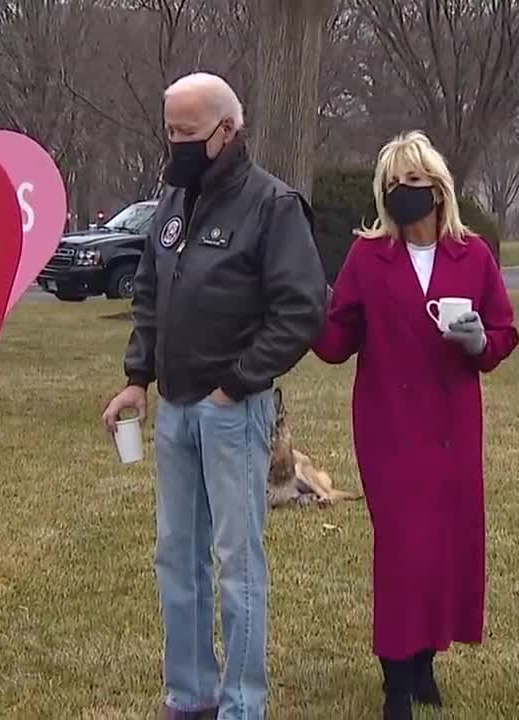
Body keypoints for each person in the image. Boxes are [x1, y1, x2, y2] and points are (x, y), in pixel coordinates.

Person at [101, 72, 328, 720]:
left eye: (188, 133)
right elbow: (149, 293)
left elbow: (302, 309)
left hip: (233, 412)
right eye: (169, 131)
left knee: (237, 565)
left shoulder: (273, 206)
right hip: (175, 411)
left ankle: (241, 705)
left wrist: (238, 383)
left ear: (227, 131)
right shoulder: (174, 201)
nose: (176, 145)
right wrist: (137, 378)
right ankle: (190, 693)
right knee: (177, 556)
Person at [309, 130, 519, 720]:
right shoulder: (366, 257)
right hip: (389, 425)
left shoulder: (472, 255)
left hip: (452, 424)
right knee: (401, 550)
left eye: (415, 183)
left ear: (439, 189)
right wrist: (302, 309)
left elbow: (503, 333)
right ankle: (396, 679)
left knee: (444, 547)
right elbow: (337, 339)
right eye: (394, 185)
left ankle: (426, 660)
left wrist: (481, 341)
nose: (405, 193)